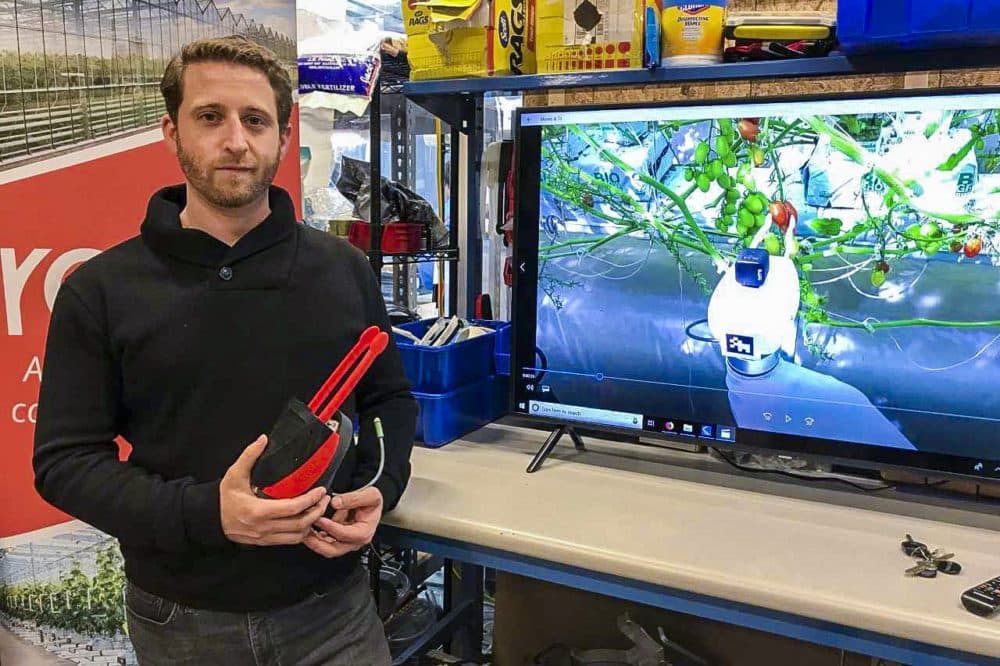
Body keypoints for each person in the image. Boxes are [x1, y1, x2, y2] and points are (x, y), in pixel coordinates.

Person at [32, 35, 416, 665]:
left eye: (256, 120)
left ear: (284, 139)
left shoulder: (343, 271)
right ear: (171, 132)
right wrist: (209, 513)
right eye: (210, 117)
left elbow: (388, 401)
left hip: (334, 612)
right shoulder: (101, 291)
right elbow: (65, 463)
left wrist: (381, 484)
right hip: (180, 621)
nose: (236, 141)